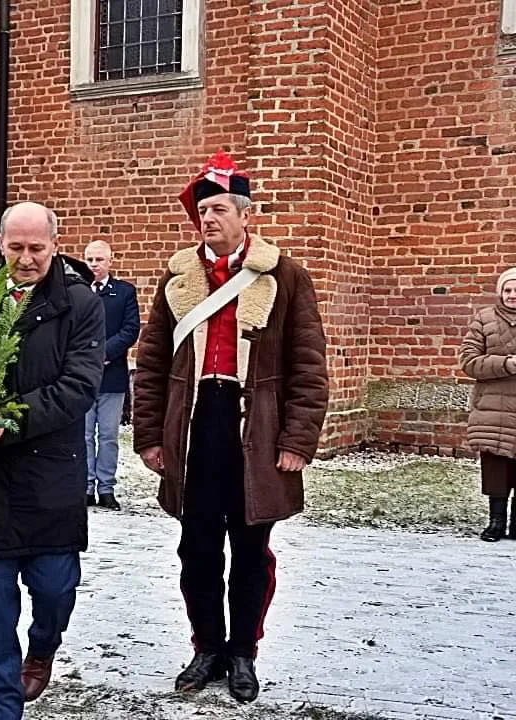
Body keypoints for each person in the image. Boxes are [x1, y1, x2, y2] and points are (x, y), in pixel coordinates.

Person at [133, 151, 329, 703]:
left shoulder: (285, 276)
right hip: (195, 426)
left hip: (255, 428)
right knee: (196, 549)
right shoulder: (177, 280)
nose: (208, 220)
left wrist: (296, 441)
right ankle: (207, 648)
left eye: (218, 209)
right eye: (202, 212)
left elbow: (309, 366)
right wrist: (149, 435)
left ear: (246, 215)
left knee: (249, 550)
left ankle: (243, 651)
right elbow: (149, 365)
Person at [0, 202, 105, 719]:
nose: (25, 258)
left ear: (54, 245)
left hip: (48, 473)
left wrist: (10, 421)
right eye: (15, 247)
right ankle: (3, 704)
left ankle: (43, 646)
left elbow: (80, 386)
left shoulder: (79, 304)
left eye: (35, 248)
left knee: (55, 588)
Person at [83, 239, 140, 510]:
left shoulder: (124, 292)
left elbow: (130, 330)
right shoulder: (78, 292)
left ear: (110, 261)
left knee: (107, 435)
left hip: (111, 374)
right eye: (90, 259)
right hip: (81, 376)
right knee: (83, 435)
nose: (94, 264)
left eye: (99, 259)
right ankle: (85, 486)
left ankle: (106, 487)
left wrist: (105, 353)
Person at [460, 267, 516, 542]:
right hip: (492, 407)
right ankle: (495, 522)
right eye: (507, 290)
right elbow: (469, 361)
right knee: (495, 466)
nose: (512, 295)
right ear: (500, 292)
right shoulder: (484, 319)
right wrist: (506, 364)